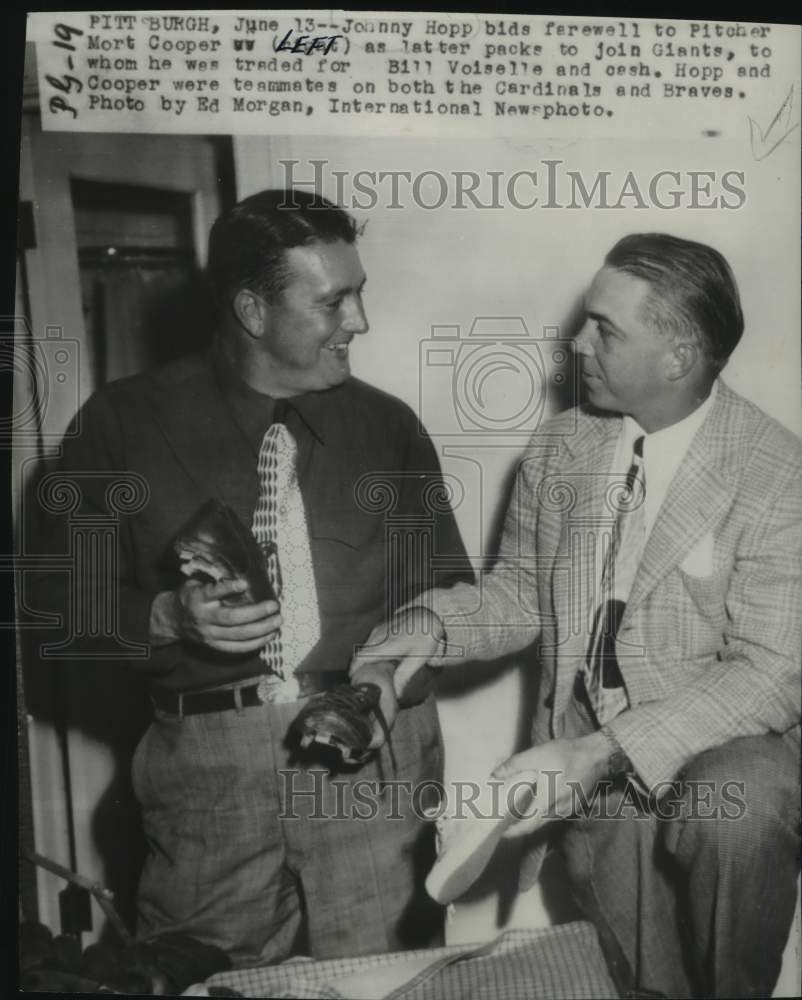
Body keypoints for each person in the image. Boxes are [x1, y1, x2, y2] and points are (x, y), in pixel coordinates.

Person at [30, 189, 471, 967]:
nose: (359, 321)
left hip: (370, 759)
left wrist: (379, 684)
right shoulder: (120, 424)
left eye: (359, 294)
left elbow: (447, 599)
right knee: (201, 981)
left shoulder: (389, 427)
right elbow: (55, 606)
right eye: (334, 301)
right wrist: (167, 616)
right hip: (208, 779)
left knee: (391, 984)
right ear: (252, 310)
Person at [355, 233, 802, 998]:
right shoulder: (564, 445)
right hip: (594, 772)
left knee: (740, 805)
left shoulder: (776, 472)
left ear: (678, 354)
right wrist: (429, 627)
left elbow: (773, 669)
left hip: (721, 756)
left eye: (605, 329)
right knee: (638, 974)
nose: (576, 342)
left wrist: (603, 751)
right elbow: (522, 592)